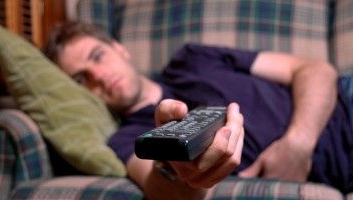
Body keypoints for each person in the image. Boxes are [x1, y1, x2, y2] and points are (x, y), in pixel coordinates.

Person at [42, 21, 353, 199]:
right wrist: (183, 173)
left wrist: (298, 143)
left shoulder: (192, 59)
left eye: (98, 56)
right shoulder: (129, 138)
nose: (99, 76)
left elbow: (315, 70)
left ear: (119, 48)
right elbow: (162, 189)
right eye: (81, 79)